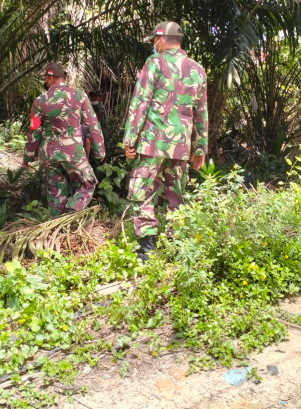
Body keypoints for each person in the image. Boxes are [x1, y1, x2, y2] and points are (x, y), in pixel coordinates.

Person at [123, 21, 208, 261]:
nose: (153, 45)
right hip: (181, 145)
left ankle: (147, 249)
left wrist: (130, 138)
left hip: (153, 142)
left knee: (142, 190)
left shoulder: (155, 62)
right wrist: (200, 148)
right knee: (175, 194)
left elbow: (140, 101)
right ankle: (176, 246)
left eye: (153, 40)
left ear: (161, 39)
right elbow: (201, 112)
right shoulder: (197, 69)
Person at [23, 62, 106, 215]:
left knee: (56, 195)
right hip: (72, 152)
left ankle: (57, 229)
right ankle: (72, 210)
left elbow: (34, 132)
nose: (45, 81)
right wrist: (100, 150)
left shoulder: (40, 100)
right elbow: (92, 124)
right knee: (89, 183)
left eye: (45, 78)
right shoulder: (79, 95)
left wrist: (27, 157)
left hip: (50, 155)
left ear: (50, 78)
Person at [85, 90, 108, 160]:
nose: (93, 98)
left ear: (99, 97)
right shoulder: (90, 106)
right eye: (92, 96)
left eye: (95, 96)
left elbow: (96, 122)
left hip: (100, 132)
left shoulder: (99, 108)